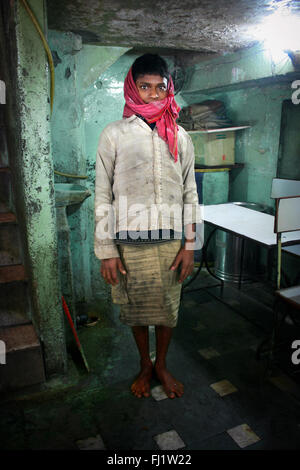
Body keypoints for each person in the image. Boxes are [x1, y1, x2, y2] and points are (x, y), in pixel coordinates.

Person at [94, 54, 199, 399]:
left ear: (168, 88)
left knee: (168, 310)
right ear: (133, 88)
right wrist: (107, 250)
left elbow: (190, 192)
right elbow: (102, 194)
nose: (154, 95)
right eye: (145, 87)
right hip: (130, 241)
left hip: (171, 242)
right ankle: (144, 363)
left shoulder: (180, 136)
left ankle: (162, 364)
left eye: (160, 87)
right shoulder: (114, 135)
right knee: (137, 309)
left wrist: (189, 244)